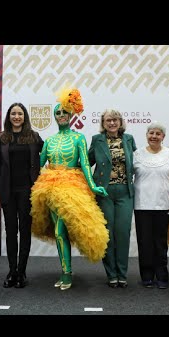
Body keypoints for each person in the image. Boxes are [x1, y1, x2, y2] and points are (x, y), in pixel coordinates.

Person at [30, 87, 109, 290]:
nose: (61, 115)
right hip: (50, 188)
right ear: (54, 117)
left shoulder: (78, 138)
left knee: (62, 229)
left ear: (71, 114)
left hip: (73, 187)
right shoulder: (48, 140)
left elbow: (84, 164)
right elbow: (37, 164)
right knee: (58, 233)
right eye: (57, 112)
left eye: (64, 112)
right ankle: (66, 271)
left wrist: (93, 185)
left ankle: (67, 273)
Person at [0, 103, 43, 288]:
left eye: (20, 114)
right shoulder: (1, 138)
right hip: (7, 191)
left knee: (24, 231)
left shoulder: (34, 137)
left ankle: (22, 272)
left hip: (28, 192)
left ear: (25, 117)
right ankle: (12, 271)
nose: (16, 116)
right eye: (13, 113)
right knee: (11, 232)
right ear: (9, 116)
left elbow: (47, 155)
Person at [88, 109, 136, 288]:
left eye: (115, 120)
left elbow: (138, 162)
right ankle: (111, 274)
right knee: (108, 233)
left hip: (125, 191)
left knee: (123, 233)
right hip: (104, 192)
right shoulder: (97, 140)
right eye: (108, 120)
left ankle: (122, 274)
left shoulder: (129, 139)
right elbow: (87, 162)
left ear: (120, 122)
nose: (112, 123)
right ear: (103, 122)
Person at [133, 122, 169, 289]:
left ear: (163, 137)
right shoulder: (136, 154)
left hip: (164, 206)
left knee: (160, 243)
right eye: (151, 133)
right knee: (144, 242)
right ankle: (146, 276)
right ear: (146, 135)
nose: (154, 136)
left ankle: (162, 276)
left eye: (157, 134)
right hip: (141, 205)